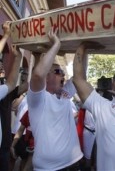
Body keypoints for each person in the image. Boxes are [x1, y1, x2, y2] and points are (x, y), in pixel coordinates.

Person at [27, 28, 83, 170]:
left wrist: (84, 48)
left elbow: (80, 76)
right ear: (47, 76)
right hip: (48, 168)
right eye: (58, 72)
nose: (63, 75)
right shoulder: (38, 99)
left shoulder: (65, 94)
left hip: (74, 162)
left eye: (63, 73)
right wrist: (56, 44)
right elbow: (38, 75)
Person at [0, 23, 25, 171]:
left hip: (4, 148)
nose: (2, 67)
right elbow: (11, 83)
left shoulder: (5, 92)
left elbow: (20, 87)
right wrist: (7, 35)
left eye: (2, 65)